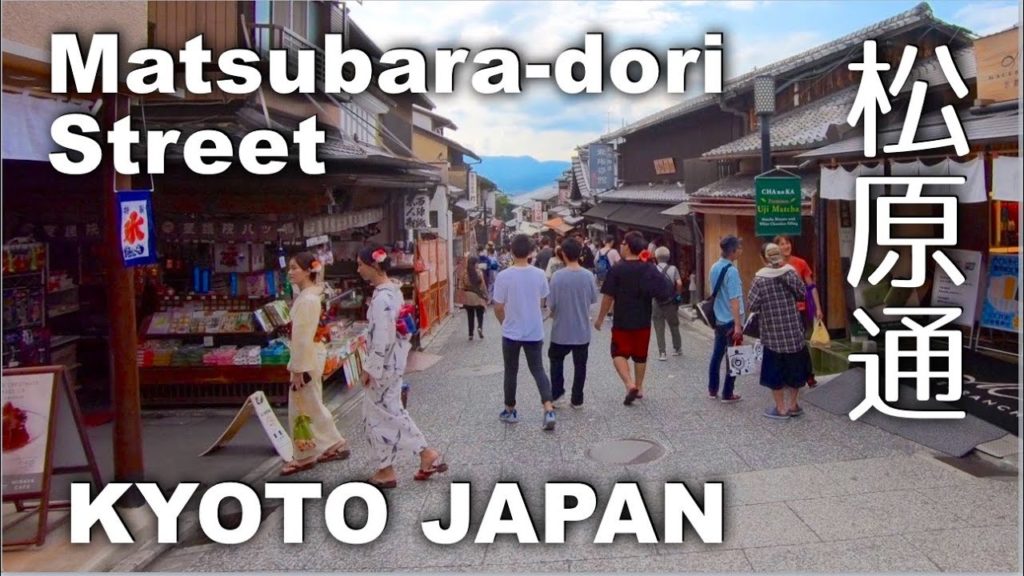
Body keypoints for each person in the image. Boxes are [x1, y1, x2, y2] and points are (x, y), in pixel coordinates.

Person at [357, 245, 446, 488]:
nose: (358, 269)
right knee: (387, 411)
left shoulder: (382, 298)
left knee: (381, 414)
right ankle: (391, 466)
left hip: (384, 365)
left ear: (373, 265)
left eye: (361, 264)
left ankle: (421, 453)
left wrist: (370, 368)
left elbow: (381, 338)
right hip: (394, 361)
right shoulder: (393, 291)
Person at [280, 252, 350, 476]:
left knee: (301, 406)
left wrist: (297, 369)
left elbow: (301, 336)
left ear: (308, 270)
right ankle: (329, 444)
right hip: (313, 353)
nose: (290, 272)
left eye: (295, 268)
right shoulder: (311, 295)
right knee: (311, 403)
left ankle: (307, 454)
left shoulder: (308, 299)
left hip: (306, 357)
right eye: (289, 268)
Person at [594, 231, 674, 405]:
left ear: (628, 247)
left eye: (623, 243)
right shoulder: (649, 267)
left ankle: (629, 384)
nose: (621, 246)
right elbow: (662, 288)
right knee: (640, 355)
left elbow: (608, 296)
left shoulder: (617, 269)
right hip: (643, 318)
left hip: (622, 319)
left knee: (618, 353)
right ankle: (639, 387)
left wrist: (600, 318)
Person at [493, 234, 557, 430]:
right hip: (534, 330)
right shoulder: (538, 274)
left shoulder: (503, 276)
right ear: (531, 252)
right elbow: (544, 300)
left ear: (511, 251)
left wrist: (505, 322)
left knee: (511, 371)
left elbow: (498, 306)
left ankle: (510, 410)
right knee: (538, 369)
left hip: (511, 331)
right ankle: (548, 409)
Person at [748, 243, 812, 419]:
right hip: (793, 332)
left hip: (772, 334)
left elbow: (752, 305)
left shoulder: (759, 280)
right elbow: (802, 294)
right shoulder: (790, 273)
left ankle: (780, 408)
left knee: (774, 371)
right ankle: (793, 405)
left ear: (764, 258)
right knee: (796, 369)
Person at [548, 238, 599, 409]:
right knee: (580, 365)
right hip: (581, 330)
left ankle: (557, 395)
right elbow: (593, 299)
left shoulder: (557, 276)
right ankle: (577, 399)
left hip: (560, 329)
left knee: (556, 361)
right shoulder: (588, 275)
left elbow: (551, 304)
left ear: (563, 254)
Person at [774, 235, 823, 388]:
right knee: (782, 345)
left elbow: (811, 286)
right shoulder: (773, 266)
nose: (785, 246)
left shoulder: (800, 263)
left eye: (787, 242)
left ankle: (808, 375)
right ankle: (787, 375)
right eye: (781, 244)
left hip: (799, 309)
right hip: (781, 311)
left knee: (800, 343)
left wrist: (818, 308)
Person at [707, 235, 745, 403]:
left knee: (717, 355)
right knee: (733, 355)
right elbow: (734, 300)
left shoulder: (714, 267)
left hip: (719, 318)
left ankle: (712, 389)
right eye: (739, 248)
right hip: (731, 320)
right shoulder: (732, 271)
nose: (741, 251)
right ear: (733, 251)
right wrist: (738, 325)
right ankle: (728, 392)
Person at [651, 246, 683, 361]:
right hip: (670, 301)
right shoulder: (673, 268)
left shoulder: (652, 269)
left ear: (656, 257)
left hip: (656, 301)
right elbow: (679, 283)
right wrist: (678, 296)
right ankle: (677, 348)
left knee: (659, 326)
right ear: (668, 257)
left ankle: (662, 353)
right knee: (674, 325)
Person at [461, 254, 487, 340]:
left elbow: (462, 285)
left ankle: (470, 334)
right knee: (480, 314)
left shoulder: (464, 273)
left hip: (468, 297)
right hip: (477, 296)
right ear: (475, 263)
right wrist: (485, 295)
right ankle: (480, 327)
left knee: (470, 316)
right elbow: (483, 286)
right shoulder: (479, 272)